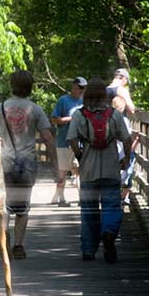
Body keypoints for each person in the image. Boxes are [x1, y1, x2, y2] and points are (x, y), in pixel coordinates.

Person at [0, 70, 60, 260]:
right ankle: (18, 246)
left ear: (12, 85)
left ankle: (4, 235)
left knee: (4, 204)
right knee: (23, 207)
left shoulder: (0, 108)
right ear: (30, 87)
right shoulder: (35, 109)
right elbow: (47, 137)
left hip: (4, 163)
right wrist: (56, 165)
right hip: (27, 163)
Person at [67, 77, 132, 264]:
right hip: (111, 169)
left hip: (88, 171)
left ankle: (88, 250)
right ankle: (109, 232)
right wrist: (126, 158)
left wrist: (80, 155)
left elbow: (71, 139)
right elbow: (126, 139)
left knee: (89, 211)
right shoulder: (114, 115)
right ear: (104, 95)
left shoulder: (79, 115)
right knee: (112, 206)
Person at [50, 76, 88, 206]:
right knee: (63, 171)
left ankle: (81, 198)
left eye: (84, 88)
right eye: (80, 88)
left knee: (78, 171)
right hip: (64, 142)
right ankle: (61, 198)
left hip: (80, 143)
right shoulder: (63, 101)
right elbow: (54, 120)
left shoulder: (84, 102)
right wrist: (71, 119)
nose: (82, 91)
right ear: (74, 86)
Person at [111, 96, 140, 205]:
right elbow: (126, 139)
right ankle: (119, 199)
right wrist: (134, 144)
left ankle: (116, 198)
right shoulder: (123, 120)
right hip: (121, 153)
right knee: (126, 173)